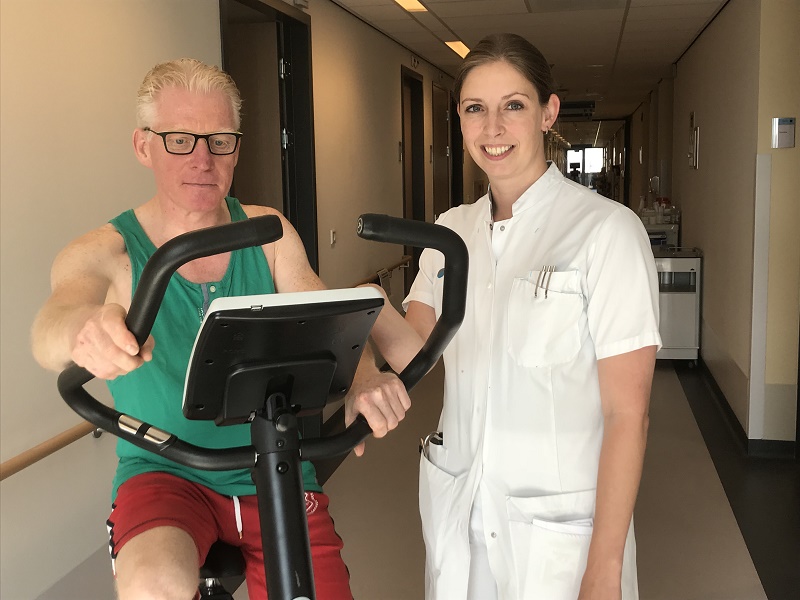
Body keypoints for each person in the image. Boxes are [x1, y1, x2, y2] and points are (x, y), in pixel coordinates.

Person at [30, 58, 409, 600]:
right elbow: (51, 325)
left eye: (220, 141)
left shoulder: (269, 233)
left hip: (274, 463)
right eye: (180, 140)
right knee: (154, 585)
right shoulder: (108, 251)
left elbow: (326, 317)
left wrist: (365, 376)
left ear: (236, 148)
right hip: (164, 470)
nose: (203, 160)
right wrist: (84, 329)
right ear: (143, 146)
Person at [367, 34, 660, 600]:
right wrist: (364, 301)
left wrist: (604, 568)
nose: (493, 128)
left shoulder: (606, 231)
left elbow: (629, 414)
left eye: (514, 105)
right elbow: (413, 353)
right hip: (462, 517)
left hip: (560, 538)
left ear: (548, 113)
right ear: (460, 120)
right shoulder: (450, 232)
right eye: (475, 108)